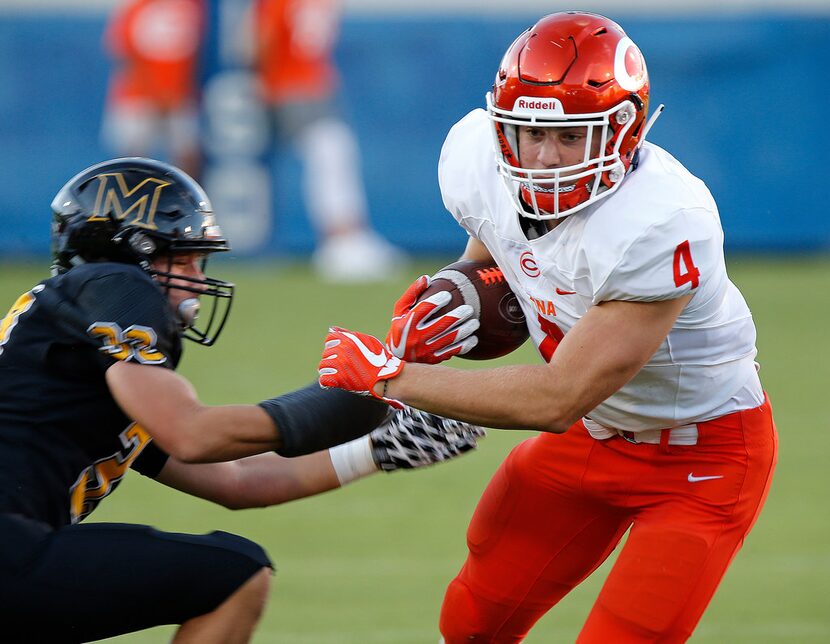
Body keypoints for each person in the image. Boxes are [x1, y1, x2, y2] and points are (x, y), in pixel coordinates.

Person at [317, 11, 778, 642]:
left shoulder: (663, 220)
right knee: (471, 622)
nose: (544, 158)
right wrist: (456, 291)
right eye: (529, 133)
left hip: (700, 457)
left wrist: (393, 377)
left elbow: (559, 397)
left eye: (570, 138)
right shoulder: (479, 157)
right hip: (595, 436)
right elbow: (498, 242)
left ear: (624, 132)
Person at [0, 157, 483, 642]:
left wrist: (377, 450)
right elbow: (193, 434)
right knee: (233, 577)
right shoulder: (114, 286)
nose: (197, 279)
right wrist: (365, 394)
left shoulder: (74, 362)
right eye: (182, 259)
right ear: (128, 256)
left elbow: (237, 481)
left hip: (19, 543)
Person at [250, 0, 405, 282]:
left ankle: (349, 235)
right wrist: (264, 80)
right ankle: (338, 239)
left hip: (313, 82)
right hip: (293, 85)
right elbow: (263, 40)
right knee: (329, 152)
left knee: (335, 153)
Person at [100, 0, 205, 179]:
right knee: (130, 161)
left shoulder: (193, 7)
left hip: (179, 97)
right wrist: (155, 95)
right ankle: (129, 204)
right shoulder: (139, 8)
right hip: (139, 97)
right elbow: (125, 56)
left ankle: (182, 203)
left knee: (188, 156)